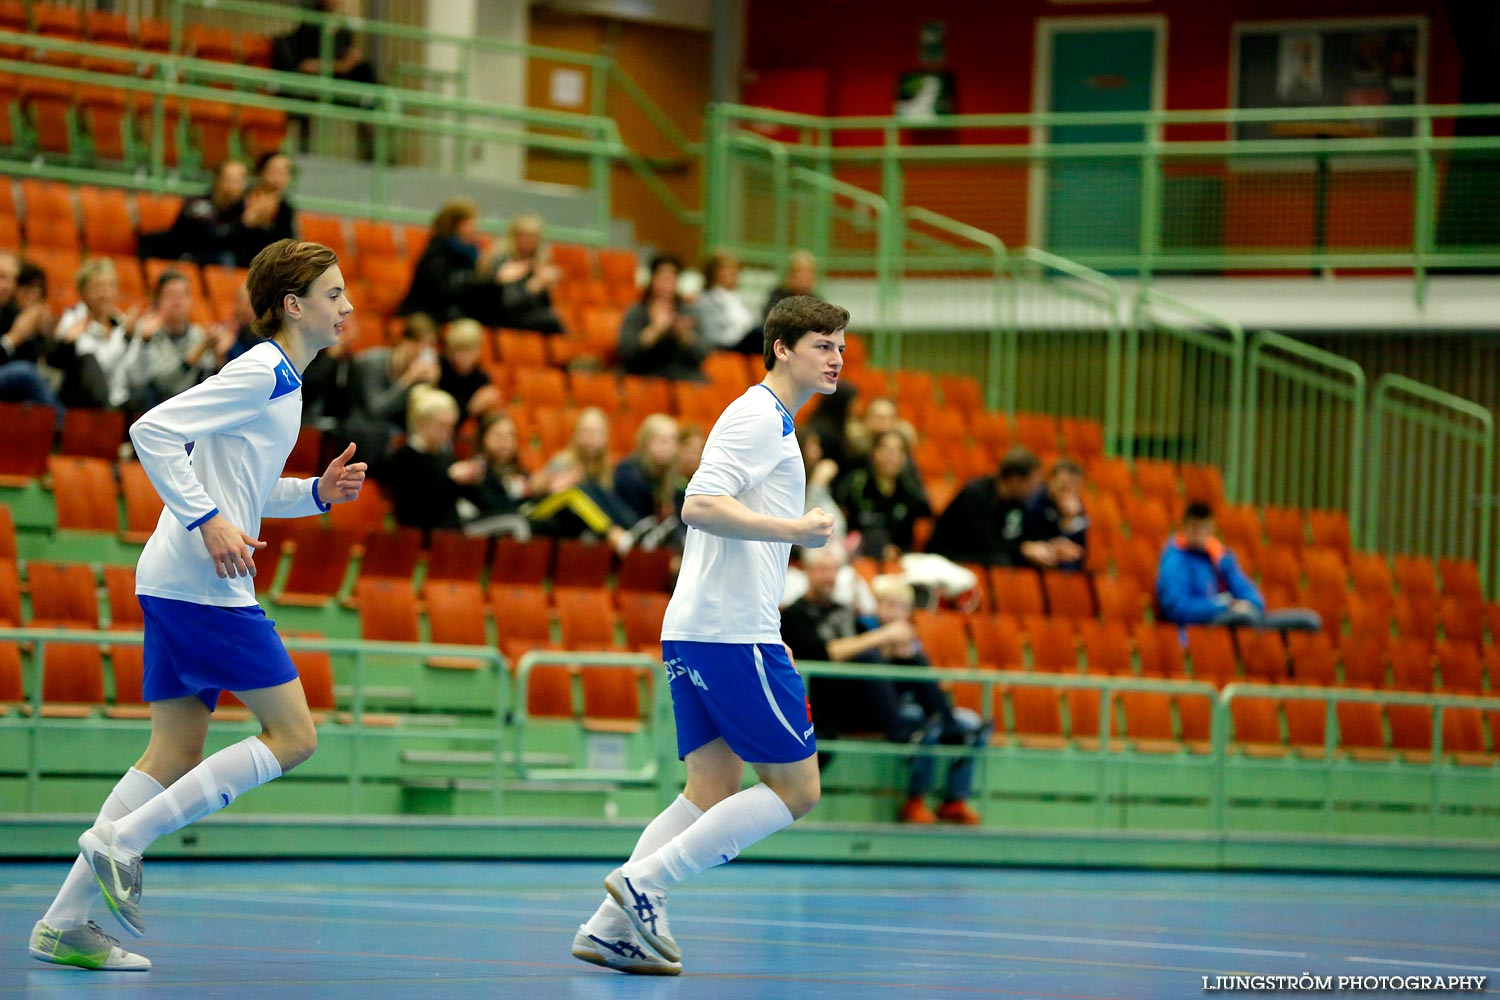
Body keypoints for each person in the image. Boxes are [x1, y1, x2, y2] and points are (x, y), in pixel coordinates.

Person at [28, 239, 365, 972]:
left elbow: (240, 484)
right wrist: (205, 518)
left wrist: (313, 494)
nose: (348, 307)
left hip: (177, 579)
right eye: (334, 294)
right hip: (203, 582)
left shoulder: (283, 382)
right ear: (293, 306)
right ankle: (123, 840)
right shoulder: (260, 370)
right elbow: (151, 431)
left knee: (175, 750)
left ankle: (62, 923)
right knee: (296, 736)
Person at [572, 294, 846, 976]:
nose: (836, 357)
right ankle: (646, 882)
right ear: (780, 347)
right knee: (797, 791)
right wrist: (797, 531)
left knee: (710, 788)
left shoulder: (770, 421)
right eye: (822, 344)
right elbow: (698, 504)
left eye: (840, 345)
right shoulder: (758, 416)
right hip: (731, 634)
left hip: (701, 629)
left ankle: (611, 926)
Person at [781, 554, 985, 826]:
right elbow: (826, 654)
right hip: (831, 700)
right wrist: (883, 638)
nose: (827, 576)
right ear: (806, 571)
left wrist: (895, 648)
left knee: (914, 664)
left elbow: (865, 645)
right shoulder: (795, 615)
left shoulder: (844, 610)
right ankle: (904, 733)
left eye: (832, 570)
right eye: (821, 569)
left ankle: (948, 727)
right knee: (871, 662)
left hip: (871, 697)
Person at [1157, 501, 1322, 632]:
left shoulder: (1220, 557)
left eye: (1205, 529)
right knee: (1245, 620)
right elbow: (1177, 609)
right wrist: (1223, 606)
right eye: (1195, 528)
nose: (1200, 534)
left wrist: (1241, 603)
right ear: (1185, 528)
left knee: (1309, 621)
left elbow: (1255, 600)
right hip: (1200, 627)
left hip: (1235, 617)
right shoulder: (1175, 560)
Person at [272, 0, 380, 158]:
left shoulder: (344, 28)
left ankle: (373, 156)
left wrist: (349, 62)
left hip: (336, 81)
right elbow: (306, 64)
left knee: (365, 94)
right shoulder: (308, 21)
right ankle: (302, 153)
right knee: (301, 105)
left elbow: (346, 60)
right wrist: (337, 66)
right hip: (307, 82)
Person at [528, 406, 636, 552]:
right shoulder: (564, 461)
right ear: (576, 435)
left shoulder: (608, 469)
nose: (591, 437)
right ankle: (612, 533)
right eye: (585, 432)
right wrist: (555, 481)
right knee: (579, 492)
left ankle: (634, 528)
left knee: (602, 491)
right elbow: (536, 487)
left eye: (596, 432)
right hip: (549, 516)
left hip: (580, 525)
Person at [924, 447, 1041, 567]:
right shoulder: (975, 494)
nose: (1035, 489)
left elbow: (1015, 537)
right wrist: (1021, 549)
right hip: (950, 556)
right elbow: (984, 542)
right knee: (1002, 561)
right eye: (1032, 483)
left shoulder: (1018, 503)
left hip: (983, 556)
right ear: (1015, 480)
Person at [121, 270, 218, 410]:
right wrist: (145, 341)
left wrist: (219, 357)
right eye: (171, 295)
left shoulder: (199, 335)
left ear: (190, 299)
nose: (177, 301)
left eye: (182, 295)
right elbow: (156, 383)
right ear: (158, 300)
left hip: (191, 408)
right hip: (155, 408)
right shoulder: (147, 331)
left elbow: (207, 382)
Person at [379, 385, 464, 537]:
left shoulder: (445, 456)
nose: (449, 433)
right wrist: (450, 478)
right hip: (420, 532)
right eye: (443, 426)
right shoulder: (402, 458)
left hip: (451, 531)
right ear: (423, 423)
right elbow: (413, 505)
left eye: (451, 426)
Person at [834, 429, 931, 561]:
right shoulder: (855, 484)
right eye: (885, 449)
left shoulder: (909, 490)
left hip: (898, 560)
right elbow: (838, 520)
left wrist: (897, 551)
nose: (891, 455)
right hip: (856, 555)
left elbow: (910, 534)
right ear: (874, 452)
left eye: (898, 451)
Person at [54, 257, 132, 408]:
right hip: (80, 396)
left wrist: (136, 340)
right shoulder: (73, 318)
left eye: (109, 287)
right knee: (88, 360)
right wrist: (67, 342)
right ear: (83, 292)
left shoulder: (123, 323)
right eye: (97, 288)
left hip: (117, 397)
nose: (104, 294)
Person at [137, 161, 248, 265]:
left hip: (210, 256)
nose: (233, 186)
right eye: (229, 180)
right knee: (226, 258)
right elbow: (208, 240)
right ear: (217, 180)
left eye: (239, 181)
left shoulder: (243, 208)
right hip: (184, 254)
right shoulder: (198, 204)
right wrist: (244, 224)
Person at [618, 255, 707, 382]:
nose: (667, 285)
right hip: (646, 376)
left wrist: (684, 335)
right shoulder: (636, 311)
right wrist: (655, 329)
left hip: (683, 376)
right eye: (663, 278)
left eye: (672, 279)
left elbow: (702, 353)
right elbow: (627, 351)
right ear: (652, 279)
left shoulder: (688, 311)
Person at [398, 199, 484, 323]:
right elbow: (439, 292)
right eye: (469, 224)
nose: (474, 229)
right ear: (454, 226)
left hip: (451, 315)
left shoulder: (472, 254)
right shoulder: (436, 252)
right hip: (424, 314)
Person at [478, 214, 564, 333]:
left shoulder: (536, 263)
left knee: (553, 316)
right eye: (525, 237)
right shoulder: (502, 261)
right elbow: (507, 304)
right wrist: (532, 287)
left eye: (534, 238)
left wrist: (546, 286)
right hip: (502, 318)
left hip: (526, 317)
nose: (529, 242)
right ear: (513, 237)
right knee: (551, 319)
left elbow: (543, 305)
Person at [0, 255, 62, 418]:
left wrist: (43, 334)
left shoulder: (9, 311)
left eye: (12, 280)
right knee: (24, 372)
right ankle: (62, 429)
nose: (7, 285)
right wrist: (13, 338)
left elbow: (30, 358)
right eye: (2, 277)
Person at [230, 152, 298, 268]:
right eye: (275, 170)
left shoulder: (285, 208)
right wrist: (247, 222)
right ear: (262, 170)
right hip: (236, 259)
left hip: (268, 266)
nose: (279, 176)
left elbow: (286, 245)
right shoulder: (241, 198)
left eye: (284, 172)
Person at [1020, 458, 1088, 572]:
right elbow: (1028, 540)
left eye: (1074, 487)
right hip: (1033, 562)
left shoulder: (1077, 509)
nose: (1068, 491)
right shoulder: (1034, 503)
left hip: (1064, 565)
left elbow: (1080, 548)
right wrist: (1053, 546)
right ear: (1051, 481)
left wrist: (1069, 519)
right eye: (1063, 486)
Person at [613, 413, 680, 526]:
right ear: (645, 442)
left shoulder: (671, 476)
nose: (667, 447)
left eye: (672, 440)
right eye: (662, 440)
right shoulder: (627, 474)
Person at [695, 250, 758, 355]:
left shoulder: (741, 299)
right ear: (712, 272)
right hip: (726, 347)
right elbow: (712, 335)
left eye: (734, 268)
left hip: (748, 346)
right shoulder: (705, 300)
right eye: (725, 268)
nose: (732, 272)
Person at [436, 318, 501, 419]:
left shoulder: (481, 378)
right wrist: (470, 408)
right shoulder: (439, 368)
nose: (459, 356)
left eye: (467, 350)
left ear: (477, 351)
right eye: (456, 349)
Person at [760, 249, 817, 321]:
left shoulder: (816, 302)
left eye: (810, 272)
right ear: (790, 274)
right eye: (800, 272)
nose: (805, 277)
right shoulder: (776, 298)